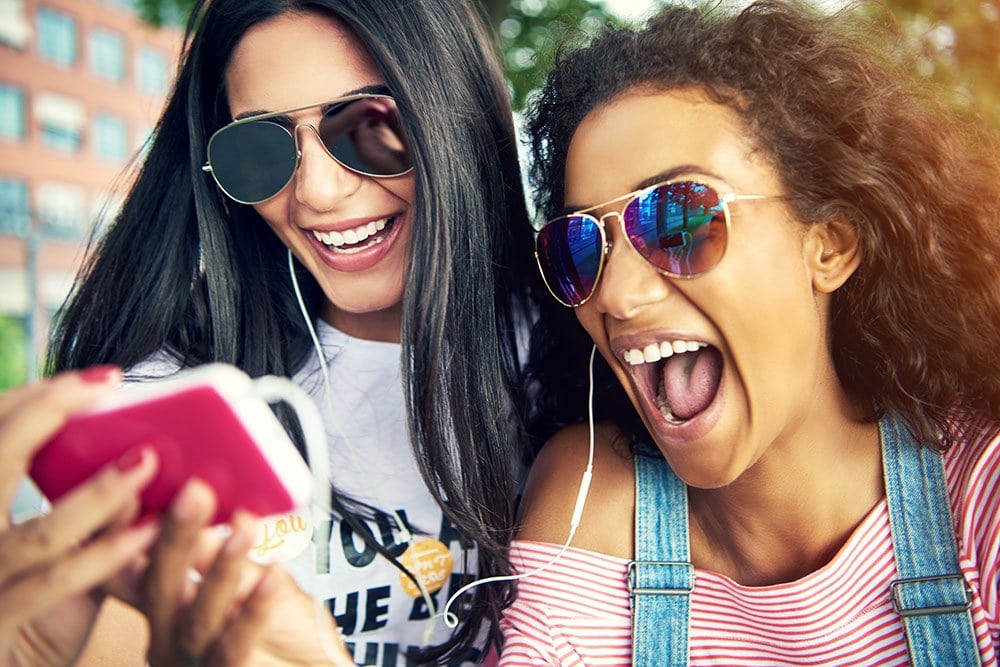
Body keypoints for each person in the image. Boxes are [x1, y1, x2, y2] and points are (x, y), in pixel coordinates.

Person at [503, 1, 1000, 664]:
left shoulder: (979, 489)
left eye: (678, 220)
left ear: (830, 245)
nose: (617, 295)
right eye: (579, 246)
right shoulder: (594, 499)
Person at [46, 0, 537, 663]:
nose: (318, 191)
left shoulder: (584, 363)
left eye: (371, 124)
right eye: (258, 148)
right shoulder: (179, 401)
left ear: (457, 113)